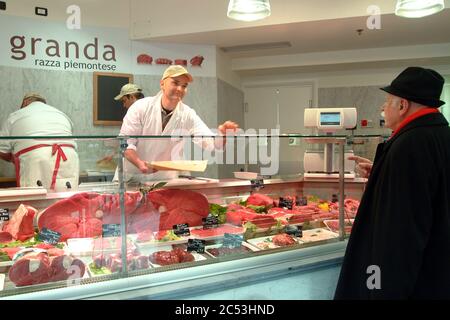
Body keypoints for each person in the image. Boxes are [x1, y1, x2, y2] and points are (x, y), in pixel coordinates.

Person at [335, 66, 450, 299]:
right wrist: (381, 174)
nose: (383, 107)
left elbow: (400, 231)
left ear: (402, 105)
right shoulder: (441, 134)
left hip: (412, 282)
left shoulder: (409, 144)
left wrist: (382, 290)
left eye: (388, 101)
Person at [118, 65, 238, 182]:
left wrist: (223, 135)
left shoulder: (188, 114)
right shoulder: (140, 107)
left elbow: (211, 144)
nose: (180, 89)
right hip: (133, 178)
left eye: (184, 86)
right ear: (162, 84)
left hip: (164, 180)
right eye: (175, 83)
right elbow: (126, 144)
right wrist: (140, 164)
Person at [0, 93, 79, 191]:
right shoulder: (61, 114)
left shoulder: (16, 115)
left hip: (35, 157)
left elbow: (2, 150)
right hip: (69, 157)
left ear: (25, 102)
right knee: (66, 197)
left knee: (36, 200)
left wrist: (15, 159)